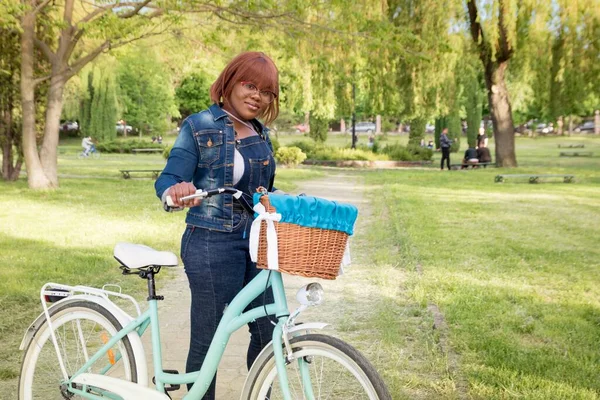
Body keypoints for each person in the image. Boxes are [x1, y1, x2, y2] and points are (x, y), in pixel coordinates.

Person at [154, 51, 280, 400]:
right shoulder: (199, 126)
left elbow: (264, 190)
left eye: (267, 91)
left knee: (267, 331)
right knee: (209, 336)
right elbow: (168, 180)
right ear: (229, 82)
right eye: (250, 85)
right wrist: (177, 192)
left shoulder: (261, 132)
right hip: (210, 242)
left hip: (256, 242)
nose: (258, 96)